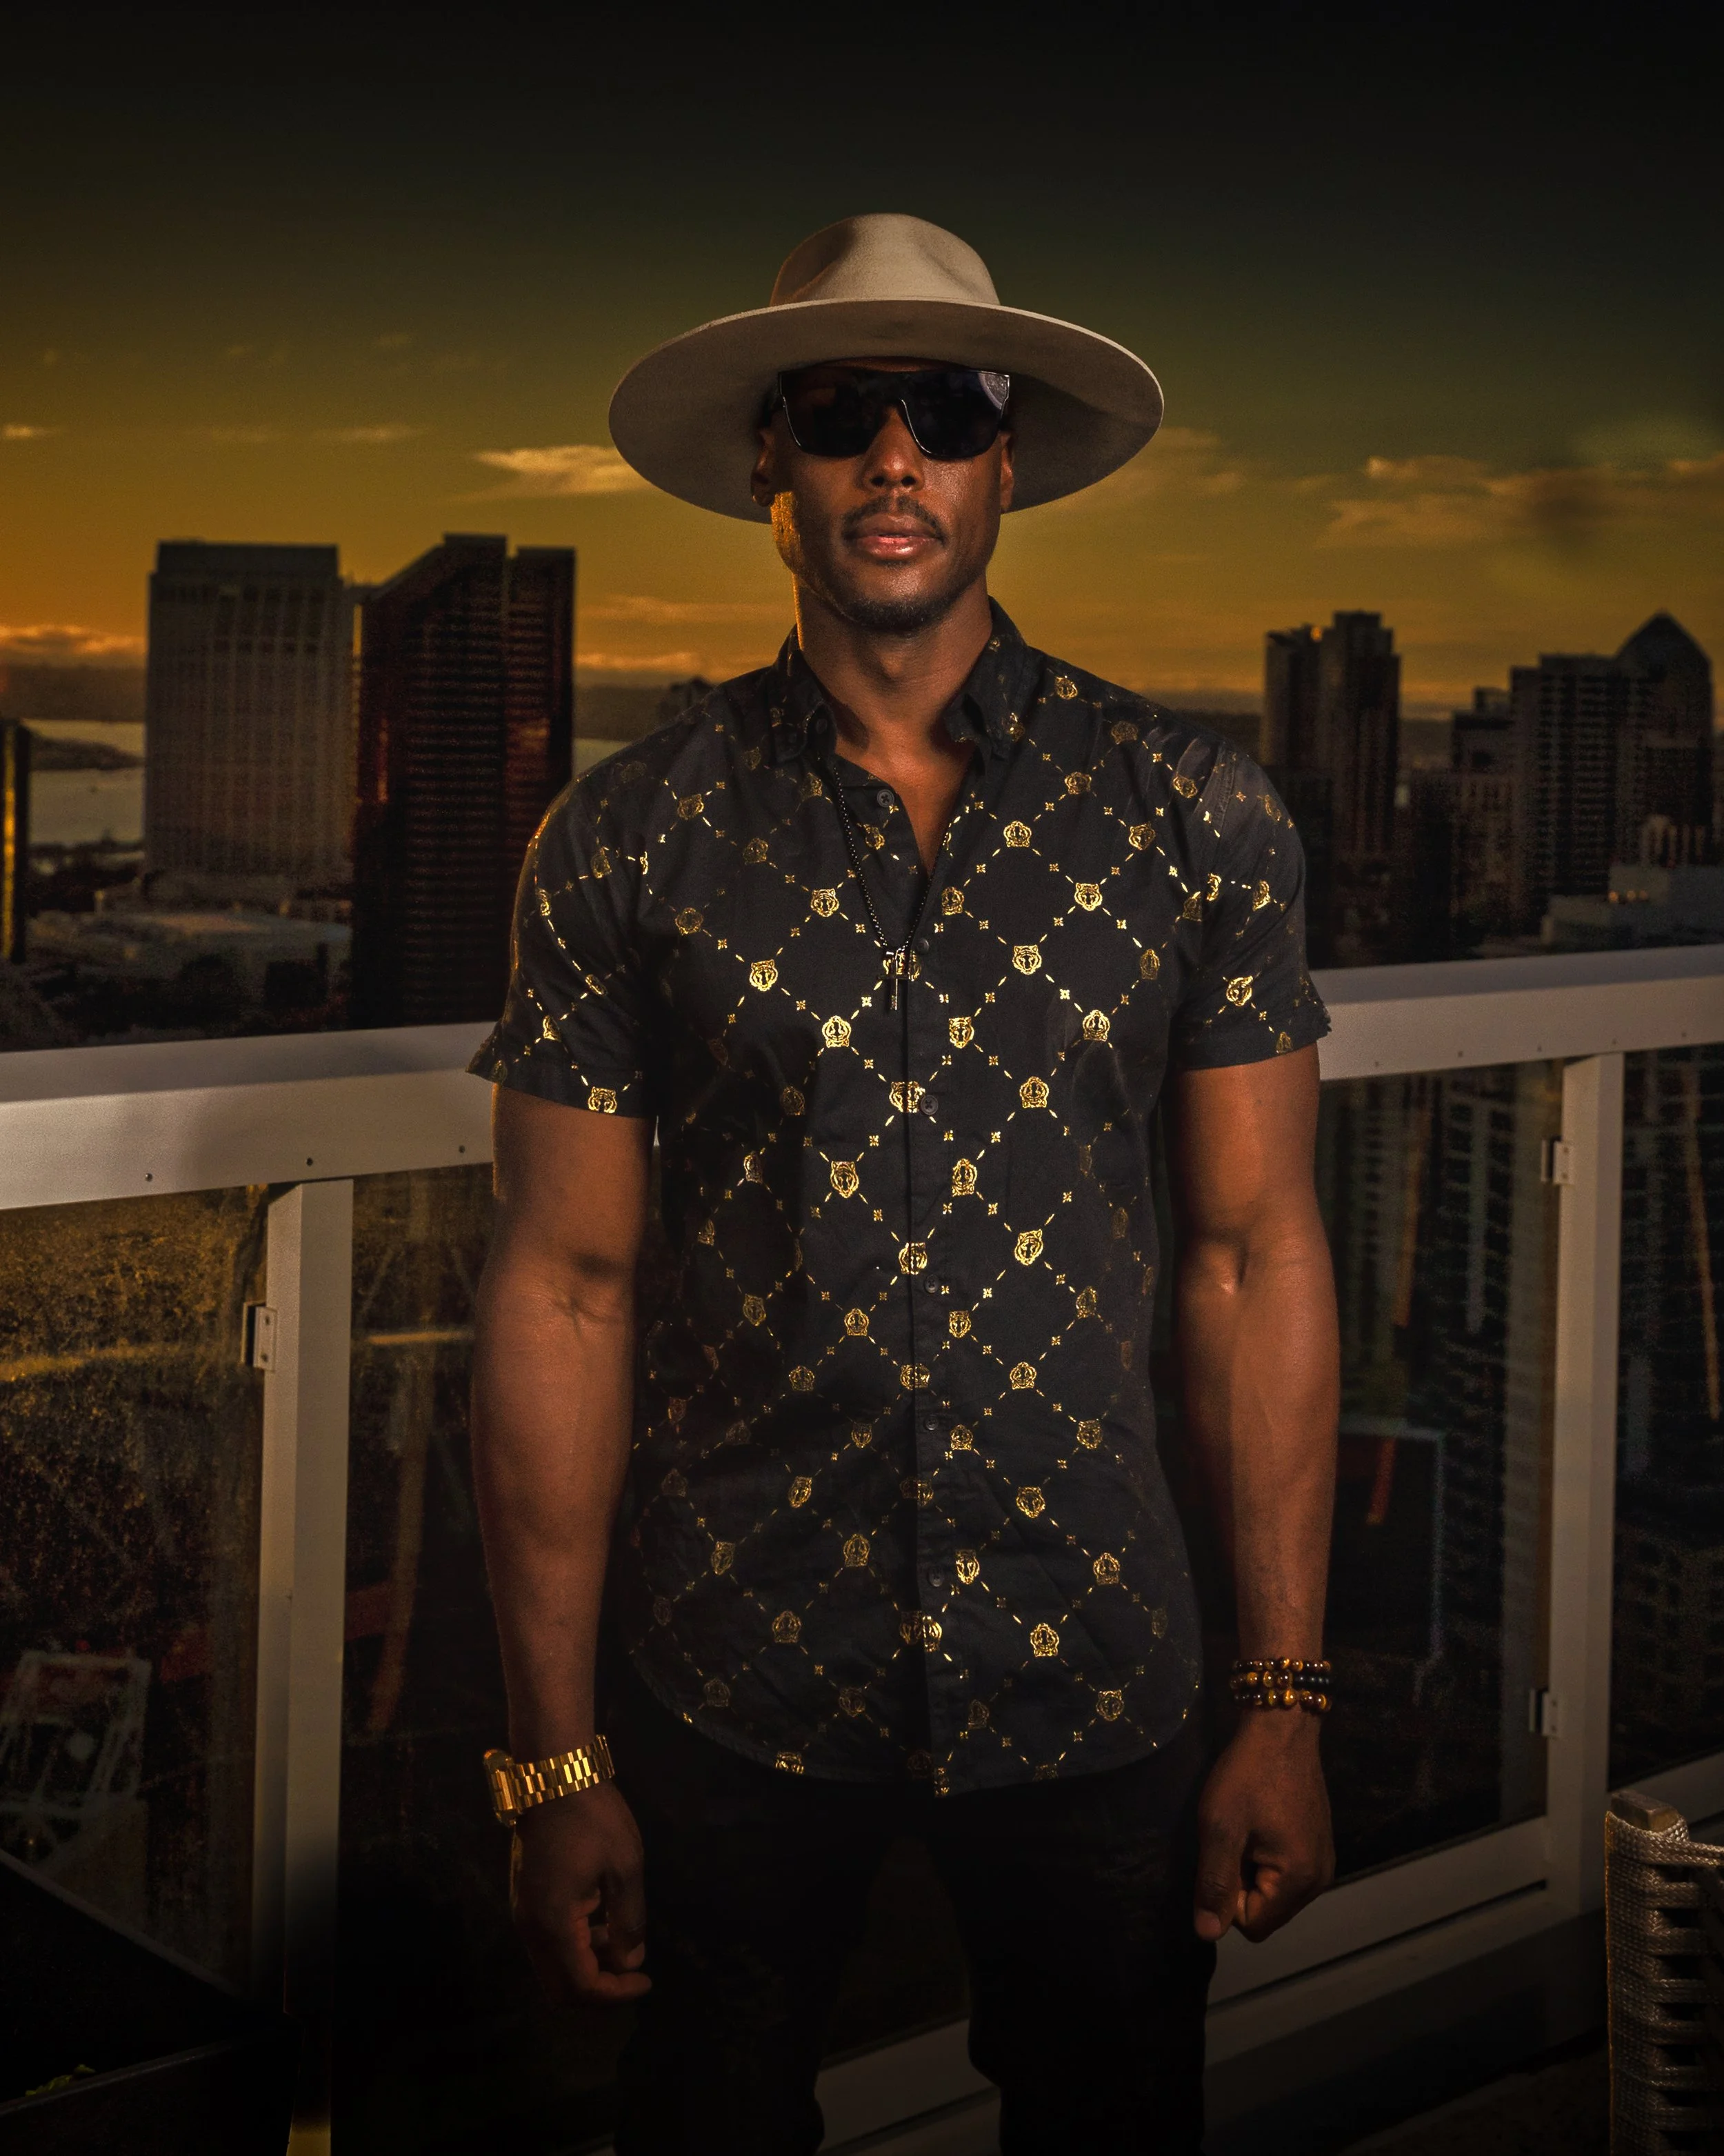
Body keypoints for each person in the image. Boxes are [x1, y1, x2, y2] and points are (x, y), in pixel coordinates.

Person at [470, 213, 1340, 2155]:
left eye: (940, 409)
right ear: (768, 466)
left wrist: (1282, 1692)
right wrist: (549, 1767)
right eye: (841, 410)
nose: (893, 455)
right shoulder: (624, 839)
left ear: (1000, 460)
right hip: (724, 1683)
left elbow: (1251, 1248)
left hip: (1095, 1666)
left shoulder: (1188, 815)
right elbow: (559, 1294)